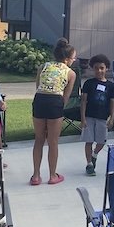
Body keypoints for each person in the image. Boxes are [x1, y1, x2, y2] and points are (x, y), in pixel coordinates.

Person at [31, 38, 77, 185]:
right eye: (73, 58)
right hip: (55, 102)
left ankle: (36, 176)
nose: (73, 61)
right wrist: (58, 110)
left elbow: (38, 86)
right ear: (66, 59)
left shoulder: (43, 66)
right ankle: (52, 175)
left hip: (39, 100)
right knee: (53, 141)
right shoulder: (70, 73)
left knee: (39, 139)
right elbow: (66, 97)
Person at [81, 53, 114, 176]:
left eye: (102, 68)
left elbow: (113, 102)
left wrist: (112, 118)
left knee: (101, 141)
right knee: (89, 140)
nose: (99, 71)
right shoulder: (88, 83)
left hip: (103, 117)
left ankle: (94, 154)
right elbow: (84, 101)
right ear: (92, 68)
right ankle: (89, 164)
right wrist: (82, 118)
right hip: (89, 116)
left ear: (106, 68)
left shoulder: (111, 86)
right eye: (96, 68)